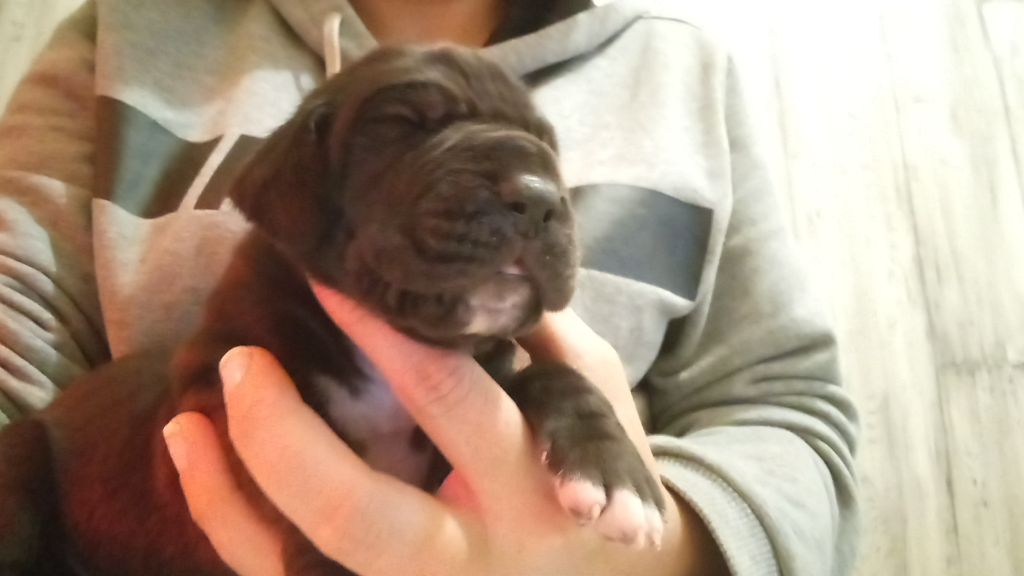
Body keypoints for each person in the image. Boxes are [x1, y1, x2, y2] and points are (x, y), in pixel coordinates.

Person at [0, 1, 860, 575]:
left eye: (544, 164)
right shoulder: (128, 29)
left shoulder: (682, 70)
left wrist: (665, 556)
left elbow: (788, 414)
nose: (534, 194)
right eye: (406, 129)